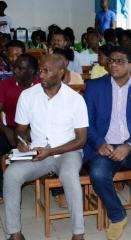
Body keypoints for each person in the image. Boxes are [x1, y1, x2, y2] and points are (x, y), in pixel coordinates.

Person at [4, 54, 88, 240]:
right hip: (38, 151)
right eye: (40, 70)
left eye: (46, 71)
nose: (40, 75)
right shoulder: (27, 96)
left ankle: (78, 234)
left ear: (61, 72)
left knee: (69, 175)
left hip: (68, 151)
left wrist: (52, 151)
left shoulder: (75, 99)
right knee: (11, 174)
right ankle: (15, 233)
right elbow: (20, 130)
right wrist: (22, 142)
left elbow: (81, 140)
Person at [83, 46, 131, 240]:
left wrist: (128, 145)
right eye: (111, 61)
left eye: (119, 61)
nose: (113, 64)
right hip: (105, 146)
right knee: (98, 174)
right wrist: (99, 143)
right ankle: (117, 216)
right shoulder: (94, 86)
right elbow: (86, 123)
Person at [0, 54, 39, 204]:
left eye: (21, 68)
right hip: (10, 128)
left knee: (55, 143)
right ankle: (2, 189)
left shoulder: (41, 86)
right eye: (15, 67)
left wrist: (30, 132)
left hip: (36, 129)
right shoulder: (4, 85)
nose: (15, 71)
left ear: (33, 71)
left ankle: (57, 189)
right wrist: (6, 130)